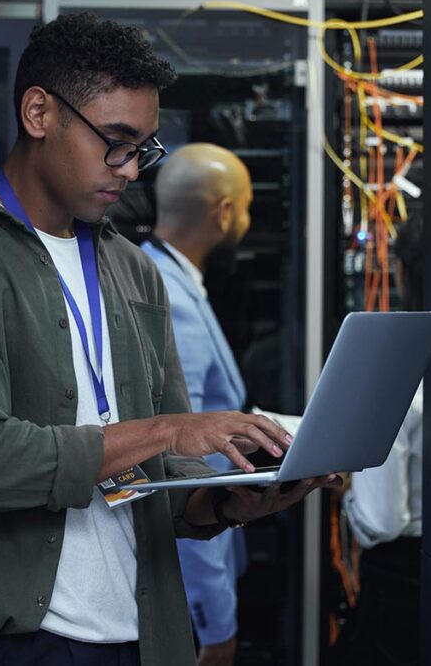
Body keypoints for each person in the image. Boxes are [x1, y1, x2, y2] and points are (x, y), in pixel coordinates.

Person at [0, 13, 338, 666]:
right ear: (39, 113)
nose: (130, 170)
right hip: (21, 644)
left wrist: (233, 500)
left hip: (145, 637)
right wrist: (168, 431)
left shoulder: (134, 270)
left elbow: (162, 490)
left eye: (143, 149)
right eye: (116, 142)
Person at [141, 143, 253, 666]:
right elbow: (187, 466)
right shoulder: (170, 298)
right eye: (246, 209)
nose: (247, 222)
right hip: (188, 585)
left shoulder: (165, 279)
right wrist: (215, 622)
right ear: (224, 213)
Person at [338, 209, 424, 665]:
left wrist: (346, 486)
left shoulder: (391, 368)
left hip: (405, 589)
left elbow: (381, 520)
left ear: (403, 271)